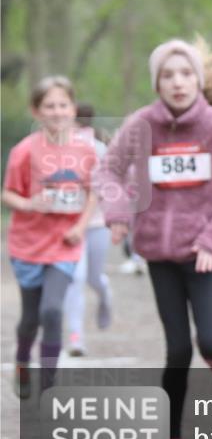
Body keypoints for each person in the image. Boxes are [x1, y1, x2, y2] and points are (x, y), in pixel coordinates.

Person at [99, 38, 212, 439]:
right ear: (157, 83)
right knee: (178, 351)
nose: (178, 83)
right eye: (168, 76)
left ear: (198, 80)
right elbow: (108, 168)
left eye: (186, 74)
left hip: (201, 252)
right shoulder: (140, 124)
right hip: (158, 255)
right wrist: (117, 213)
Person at [3, 76, 97, 397]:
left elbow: (93, 193)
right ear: (37, 111)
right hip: (27, 245)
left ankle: (48, 385)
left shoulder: (85, 151)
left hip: (64, 244)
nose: (57, 112)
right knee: (30, 319)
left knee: (52, 311)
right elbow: (8, 194)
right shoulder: (24, 152)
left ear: (73, 109)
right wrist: (30, 203)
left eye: (63, 105)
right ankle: (20, 361)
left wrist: (81, 226)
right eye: (49, 106)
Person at [64, 103, 114, 356]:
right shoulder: (57, 148)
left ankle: (105, 296)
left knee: (94, 278)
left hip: (96, 223)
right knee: (75, 279)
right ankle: (76, 337)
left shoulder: (101, 148)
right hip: (71, 226)